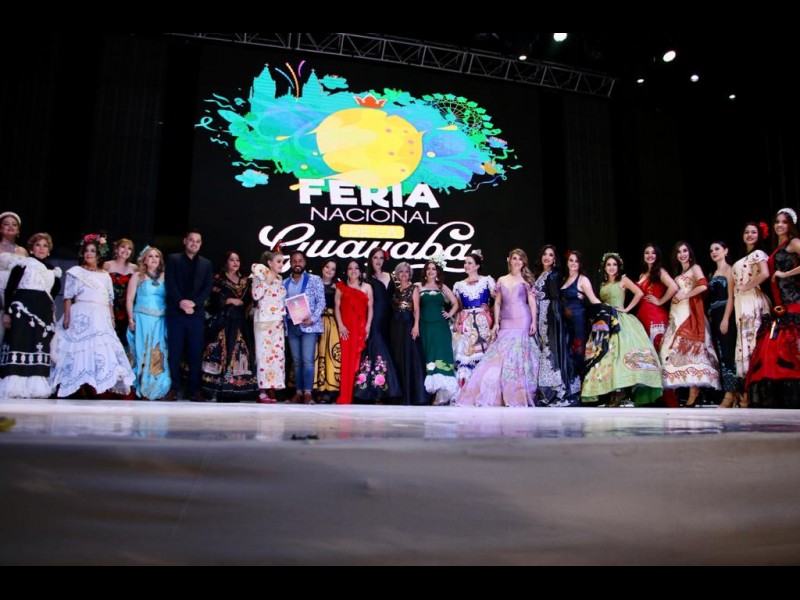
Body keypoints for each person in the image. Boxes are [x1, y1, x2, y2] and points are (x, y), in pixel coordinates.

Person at [50, 234, 134, 398]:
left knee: (98, 351)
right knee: (79, 350)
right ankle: (78, 385)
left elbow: (109, 300)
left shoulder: (104, 275)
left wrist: (111, 318)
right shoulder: (75, 272)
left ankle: (94, 385)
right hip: (81, 313)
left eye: (93, 251)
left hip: (100, 316)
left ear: (98, 254)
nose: (89, 253)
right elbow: (68, 297)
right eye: (86, 251)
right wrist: (66, 316)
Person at [457, 249, 540, 408]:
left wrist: (534, 322)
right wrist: (496, 323)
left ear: (524, 262)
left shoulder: (526, 280)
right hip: (506, 321)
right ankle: (498, 394)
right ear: (509, 260)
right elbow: (497, 303)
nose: (517, 261)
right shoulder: (502, 279)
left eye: (520, 259)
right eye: (514, 258)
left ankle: (517, 394)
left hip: (522, 319)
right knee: (498, 357)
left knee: (517, 356)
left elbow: (532, 302)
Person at [581, 253, 662, 407]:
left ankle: (621, 392)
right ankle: (611, 393)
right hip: (606, 321)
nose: (612, 267)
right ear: (604, 267)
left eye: (614, 264)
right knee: (606, 356)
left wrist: (626, 309)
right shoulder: (603, 284)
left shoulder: (623, 280)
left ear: (618, 267)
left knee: (621, 354)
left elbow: (639, 293)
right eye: (609, 265)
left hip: (620, 320)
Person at [747, 208, 800, 409]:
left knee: (787, 348)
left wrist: (786, 274)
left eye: (784, 222)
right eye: (777, 221)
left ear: (790, 225)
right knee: (773, 349)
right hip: (781, 306)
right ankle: (783, 398)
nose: (779, 225)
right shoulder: (778, 247)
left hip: (794, 304)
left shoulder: (793, 242)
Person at [0, 233, 61, 399]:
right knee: (19, 343)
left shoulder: (53, 271)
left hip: (42, 314)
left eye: (45, 246)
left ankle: (36, 387)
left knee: (39, 346)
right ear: (32, 248)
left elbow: (53, 293)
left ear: (49, 250)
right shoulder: (22, 265)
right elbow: (9, 289)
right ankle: (14, 386)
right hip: (22, 311)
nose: (41, 248)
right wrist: (7, 313)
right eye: (38, 245)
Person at [660, 241, 721, 407]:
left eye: (685, 251)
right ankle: (682, 392)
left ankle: (694, 392)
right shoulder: (679, 273)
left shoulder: (695, 268)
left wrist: (685, 295)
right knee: (672, 349)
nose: (682, 254)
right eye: (679, 252)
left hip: (689, 313)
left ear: (690, 253)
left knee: (690, 348)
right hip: (676, 314)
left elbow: (703, 286)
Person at [199, 252, 257, 402]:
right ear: (226, 263)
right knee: (220, 352)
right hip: (223, 322)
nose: (235, 262)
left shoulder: (246, 281)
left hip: (240, 322)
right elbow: (210, 301)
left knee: (239, 354)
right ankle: (216, 389)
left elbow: (252, 299)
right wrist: (228, 300)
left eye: (237, 260)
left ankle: (234, 390)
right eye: (232, 260)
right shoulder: (218, 280)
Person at [165, 230, 213, 402]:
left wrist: (193, 303)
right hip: (176, 313)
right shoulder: (173, 259)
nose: (194, 243)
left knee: (195, 352)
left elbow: (207, 287)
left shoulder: (206, 264)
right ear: (185, 241)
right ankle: (173, 389)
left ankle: (195, 390)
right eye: (191, 240)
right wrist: (181, 302)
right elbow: (170, 283)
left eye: (198, 241)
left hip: (195, 314)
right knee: (175, 352)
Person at [533, 245, 580, 407]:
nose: (547, 257)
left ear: (554, 259)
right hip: (541, 315)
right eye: (545, 254)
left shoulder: (553, 275)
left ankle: (556, 391)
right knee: (545, 349)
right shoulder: (540, 274)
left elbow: (555, 298)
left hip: (550, 316)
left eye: (551, 255)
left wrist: (553, 320)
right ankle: (548, 390)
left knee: (551, 350)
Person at [731, 222, 772, 409]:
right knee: (744, 343)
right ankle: (746, 394)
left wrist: (746, 286)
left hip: (752, 300)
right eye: (746, 232)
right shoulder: (743, 257)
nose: (749, 235)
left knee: (752, 341)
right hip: (741, 302)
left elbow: (765, 273)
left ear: (759, 235)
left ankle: (755, 394)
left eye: (753, 232)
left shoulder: (758, 254)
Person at [353, 248, 401, 403]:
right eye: (375, 258)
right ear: (370, 259)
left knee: (388, 349)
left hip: (390, 320)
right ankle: (377, 391)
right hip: (374, 319)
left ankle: (383, 391)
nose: (378, 261)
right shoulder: (366, 278)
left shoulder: (390, 276)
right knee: (377, 350)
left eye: (381, 258)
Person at [636, 243, 679, 408]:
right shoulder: (642, 274)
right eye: (647, 253)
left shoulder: (660, 271)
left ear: (657, 256)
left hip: (655, 317)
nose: (650, 256)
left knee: (658, 353)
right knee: (647, 356)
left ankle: (665, 397)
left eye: (653, 253)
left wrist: (660, 301)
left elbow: (673, 287)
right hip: (643, 317)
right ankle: (649, 396)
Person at [126, 247, 171, 401]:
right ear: (144, 259)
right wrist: (130, 318)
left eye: (156, 256)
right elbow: (129, 299)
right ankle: (140, 386)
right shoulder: (138, 276)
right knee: (141, 352)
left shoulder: (165, 276)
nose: (153, 259)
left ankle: (155, 387)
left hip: (159, 320)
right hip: (142, 319)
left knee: (158, 353)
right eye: (150, 256)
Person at [283, 251, 325, 405]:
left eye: (300, 260)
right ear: (290, 263)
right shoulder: (284, 283)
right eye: (294, 261)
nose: (297, 263)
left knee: (307, 360)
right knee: (297, 361)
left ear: (305, 263)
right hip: (292, 325)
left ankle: (308, 393)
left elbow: (321, 302)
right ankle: (298, 392)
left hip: (309, 326)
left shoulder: (315, 279)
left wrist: (312, 318)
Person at [452, 251, 496, 391]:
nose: (466, 265)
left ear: (477, 266)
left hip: (483, 322)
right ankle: (467, 390)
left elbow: (499, 300)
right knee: (468, 355)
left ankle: (484, 390)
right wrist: (456, 321)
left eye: (470, 263)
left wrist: (490, 308)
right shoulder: (459, 285)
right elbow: (458, 307)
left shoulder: (487, 281)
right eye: (465, 263)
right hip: (466, 322)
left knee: (483, 354)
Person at [418, 259, 459, 405]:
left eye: (433, 269)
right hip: (424, 326)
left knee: (441, 356)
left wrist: (450, 314)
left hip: (440, 328)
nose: (431, 271)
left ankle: (441, 395)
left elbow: (455, 302)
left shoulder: (442, 286)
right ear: (425, 271)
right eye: (428, 269)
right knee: (426, 356)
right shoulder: (419, 286)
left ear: (437, 272)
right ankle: (426, 394)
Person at [390, 262, 429, 406]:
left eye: (406, 272)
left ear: (410, 274)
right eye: (401, 272)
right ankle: (399, 394)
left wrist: (416, 325)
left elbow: (417, 309)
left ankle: (412, 395)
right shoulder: (395, 290)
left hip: (408, 323)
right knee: (398, 356)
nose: (404, 274)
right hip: (395, 325)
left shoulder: (414, 288)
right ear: (397, 274)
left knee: (409, 357)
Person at [251, 249, 287, 404]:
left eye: (282, 261)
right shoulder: (259, 275)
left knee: (276, 357)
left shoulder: (280, 278)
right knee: (263, 356)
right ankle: (261, 390)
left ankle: (272, 387)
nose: (281, 264)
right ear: (269, 263)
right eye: (278, 261)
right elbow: (256, 295)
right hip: (264, 321)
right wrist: (266, 281)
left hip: (277, 322)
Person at [336, 260, 373, 405]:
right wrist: (340, 325)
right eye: (350, 268)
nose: (353, 271)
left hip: (360, 329)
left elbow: (371, 308)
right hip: (346, 329)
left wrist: (368, 326)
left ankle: (356, 395)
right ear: (347, 271)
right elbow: (337, 307)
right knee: (346, 361)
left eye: (356, 268)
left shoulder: (367, 287)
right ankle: (345, 396)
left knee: (358, 360)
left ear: (360, 271)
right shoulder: (341, 287)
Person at [708, 241, 741, 408]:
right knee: (720, 354)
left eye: (717, 249)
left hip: (725, 313)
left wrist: (726, 318)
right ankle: (729, 392)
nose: (714, 252)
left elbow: (731, 297)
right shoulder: (712, 273)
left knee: (728, 353)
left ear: (726, 251)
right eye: (711, 250)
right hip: (714, 315)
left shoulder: (730, 270)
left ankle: (731, 393)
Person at [561, 251, 597, 383]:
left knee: (579, 350)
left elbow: (593, 299)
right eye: (571, 260)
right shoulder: (564, 279)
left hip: (578, 321)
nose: (573, 263)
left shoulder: (583, 279)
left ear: (580, 264)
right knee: (567, 350)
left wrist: (608, 309)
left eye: (576, 261)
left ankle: (582, 383)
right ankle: (572, 383)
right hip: (565, 322)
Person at [0, 212, 29, 349]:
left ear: (18, 230)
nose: (10, 227)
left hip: (17, 291)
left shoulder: (23, 251)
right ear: (0, 228)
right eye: (6, 224)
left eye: (14, 224)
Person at [314, 260, 341, 403]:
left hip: (331, 323)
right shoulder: (314, 283)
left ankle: (329, 391)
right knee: (316, 355)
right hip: (315, 322)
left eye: (333, 269)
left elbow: (338, 307)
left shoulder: (337, 287)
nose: (329, 270)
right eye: (327, 267)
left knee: (330, 356)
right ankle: (315, 390)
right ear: (322, 267)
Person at [104, 238, 138, 353]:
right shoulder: (107, 265)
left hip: (128, 308)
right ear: (116, 249)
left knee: (126, 339)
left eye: (129, 248)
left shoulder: (135, 268)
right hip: (110, 307)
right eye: (123, 247)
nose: (126, 250)